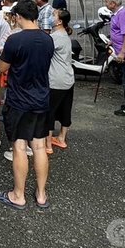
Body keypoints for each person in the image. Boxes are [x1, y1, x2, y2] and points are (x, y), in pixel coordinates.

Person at [0, 0, 54, 210]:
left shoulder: (15, 40)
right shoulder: (48, 40)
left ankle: (18, 195)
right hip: (42, 98)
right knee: (39, 146)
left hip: (19, 100)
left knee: (20, 146)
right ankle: (41, 194)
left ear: (18, 17)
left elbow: (2, 67)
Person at [46, 9, 75, 151]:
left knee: (49, 111)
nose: (51, 17)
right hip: (68, 78)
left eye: (53, 16)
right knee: (65, 109)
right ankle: (61, 138)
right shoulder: (65, 35)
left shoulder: (55, 37)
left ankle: (47, 144)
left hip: (56, 79)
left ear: (59, 21)